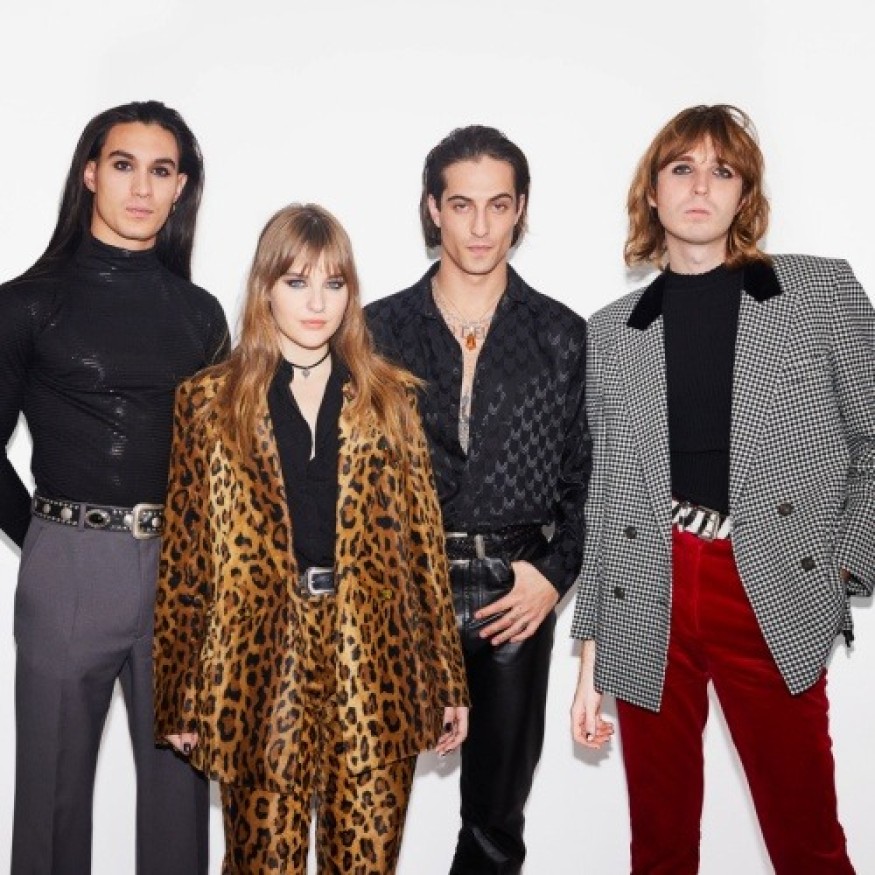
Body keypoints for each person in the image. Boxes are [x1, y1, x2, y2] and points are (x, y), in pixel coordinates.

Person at [571, 104, 869, 873]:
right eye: (681, 168)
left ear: (744, 194)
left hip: (766, 581)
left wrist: (838, 566)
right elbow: (604, 497)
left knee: (805, 840)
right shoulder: (611, 330)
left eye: (721, 169)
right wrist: (588, 656)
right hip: (647, 587)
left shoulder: (817, 290)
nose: (700, 185)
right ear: (652, 192)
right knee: (658, 846)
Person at [153, 202, 469, 874]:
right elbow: (185, 561)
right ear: (265, 287)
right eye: (297, 282)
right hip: (256, 663)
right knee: (261, 862)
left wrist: (447, 679)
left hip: (376, 658)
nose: (317, 302)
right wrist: (179, 691)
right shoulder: (208, 402)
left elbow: (424, 548)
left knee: (366, 864)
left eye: (334, 282)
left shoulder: (392, 399)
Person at [0, 100, 228, 874]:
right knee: (51, 800)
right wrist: (47, 539)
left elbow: (215, 467)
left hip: (180, 573)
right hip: (69, 565)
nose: (141, 187)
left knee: (180, 799)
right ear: (91, 174)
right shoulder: (26, 304)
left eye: (161, 170)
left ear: (180, 188)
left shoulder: (199, 314)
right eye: (124, 165)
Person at [366, 125, 597, 874]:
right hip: (402, 593)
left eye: (498, 205)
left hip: (515, 592)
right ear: (433, 208)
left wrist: (553, 576)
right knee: (367, 805)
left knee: (495, 822)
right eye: (461, 205)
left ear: (520, 209)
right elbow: (350, 480)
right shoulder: (376, 330)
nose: (479, 226)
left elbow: (586, 477)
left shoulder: (561, 333)